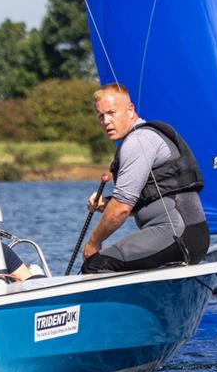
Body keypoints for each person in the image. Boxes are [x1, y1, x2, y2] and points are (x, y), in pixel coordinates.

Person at [81, 83, 209, 273]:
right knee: (115, 260)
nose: (106, 121)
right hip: (190, 236)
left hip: (177, 235)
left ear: (130, 110)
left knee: (96, 265)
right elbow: (146, 202)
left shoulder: (138, 141)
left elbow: (121, 210)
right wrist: (105, 204)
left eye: (112, 113)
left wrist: (93, 243)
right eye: (101, 116)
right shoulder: (140, 138)